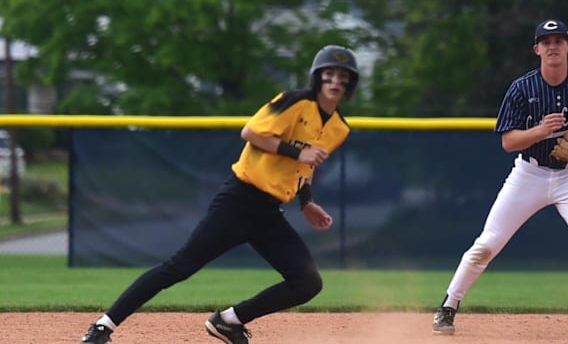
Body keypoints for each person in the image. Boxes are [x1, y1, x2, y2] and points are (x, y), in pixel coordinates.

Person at [80, 44, 360, 344]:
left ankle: (228, 321)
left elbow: (307, 167)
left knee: (307, 282)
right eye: (329, 74)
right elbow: (252, 133)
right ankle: (103, 326)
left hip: (269, 213)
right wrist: (298, 153)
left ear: (350, 84)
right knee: (178, 268)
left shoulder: (339, 128)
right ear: (317, 77)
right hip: (239, 201)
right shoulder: (294, 101)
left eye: (342, 76)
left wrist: (306, 202)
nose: (335, 81)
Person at [432, 19, 568, 338]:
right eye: (546, 41)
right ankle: (448, 307)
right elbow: (507, 142)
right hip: (529, 173)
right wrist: (540, 131)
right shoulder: (521, 88)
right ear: (537, 49)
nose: (552, 46)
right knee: (488, 243)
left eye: (559, 40)